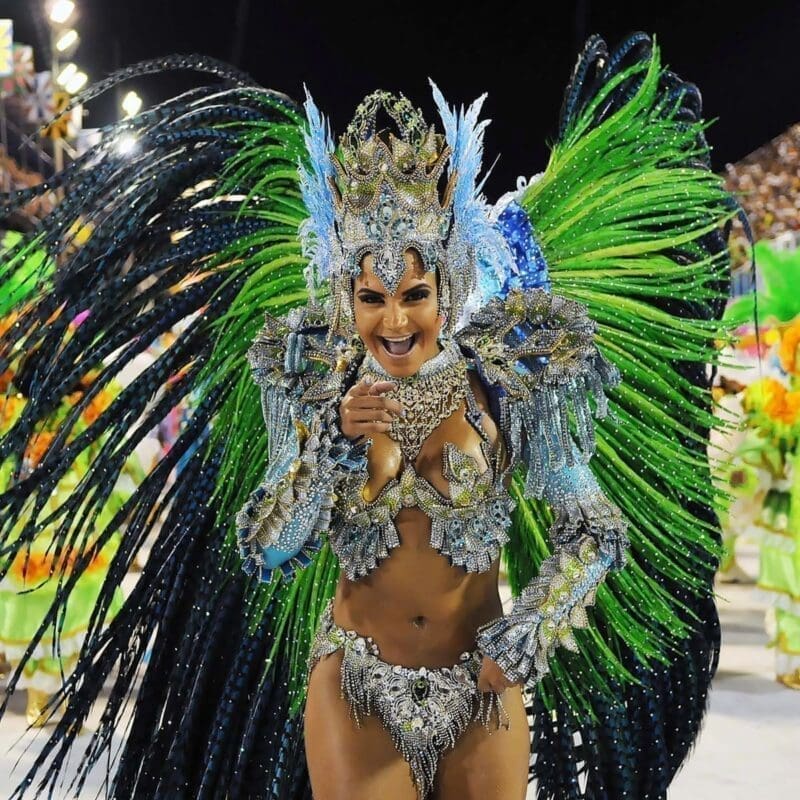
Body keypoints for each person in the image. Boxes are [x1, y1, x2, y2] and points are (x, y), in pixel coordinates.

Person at [0, 33, 737, 800]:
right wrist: (327, 452)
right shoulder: (311, 378)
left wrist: (532, 631)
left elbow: (592, 526)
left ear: (446, 286)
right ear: (345, 294)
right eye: (372, 297)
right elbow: (267, 548)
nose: (393, 320)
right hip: (356, 683)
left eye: (414, 295)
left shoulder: (511, 373)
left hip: (482, 685)